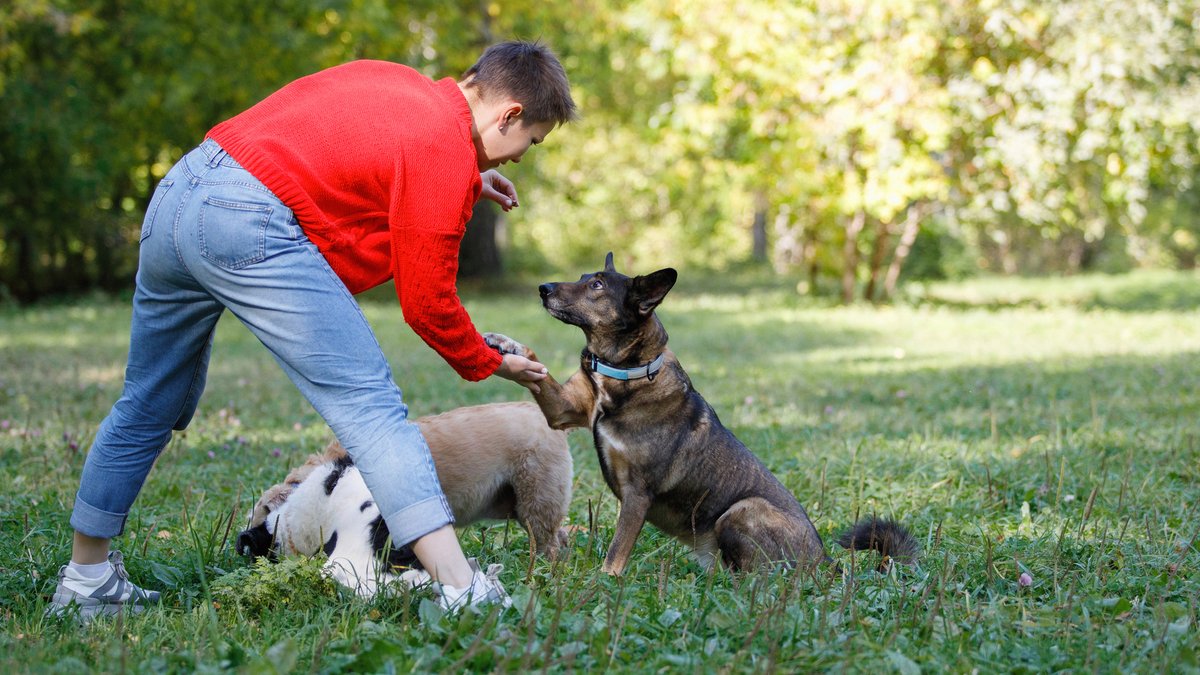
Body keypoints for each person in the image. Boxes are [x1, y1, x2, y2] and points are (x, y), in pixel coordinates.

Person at [48, 40, 576, 621]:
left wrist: (467, 182)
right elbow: (428, 306)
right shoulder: (441, 152)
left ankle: (87, 579)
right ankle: (459, 586)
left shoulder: (399, 84)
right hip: (243, 221)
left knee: (148, 399)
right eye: (531, 141)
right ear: (509, 116)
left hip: (181, 194)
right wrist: (491, 360)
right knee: (372, 410)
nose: (520, 157)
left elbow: (343, 155)